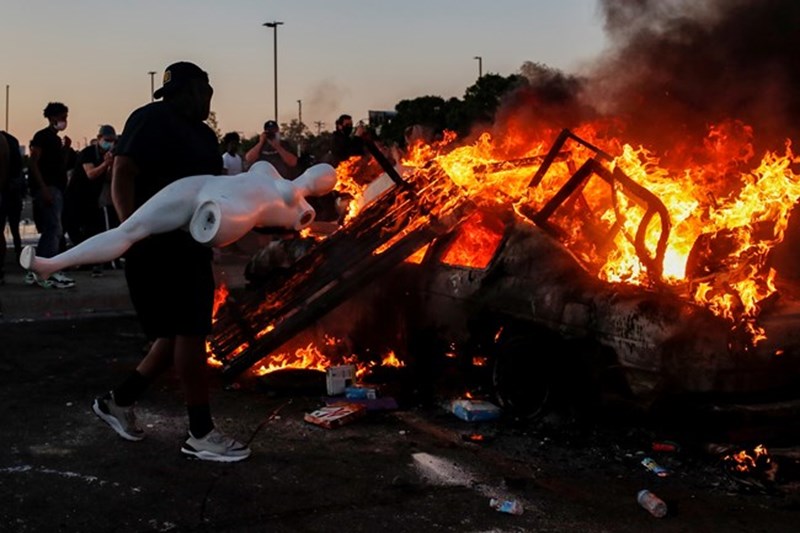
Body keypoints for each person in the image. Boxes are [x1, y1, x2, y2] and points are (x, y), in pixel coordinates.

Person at [21, 160, 337, 279]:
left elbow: (275, 230)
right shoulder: (269, 169)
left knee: (204, 219)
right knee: (130, 229)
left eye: (326, 177)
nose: (320, 175)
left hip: (232, 209)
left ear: (324, 188)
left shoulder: (302, 211)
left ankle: (54, 264)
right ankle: (52, 264)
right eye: (322, 170)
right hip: (203, 184)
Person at [27, 102, 75, 288]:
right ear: (53, 118)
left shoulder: (56, 140)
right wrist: (44, 188)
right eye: (63, 117)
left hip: (56, 188)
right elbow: (33, 162)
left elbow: (60, 166)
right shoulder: (42, 137)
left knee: (53, 229)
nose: (64, 121)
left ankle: (39, 268)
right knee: (53, 229)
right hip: (49, 189)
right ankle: (46, 269)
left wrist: (66, 149)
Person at [63, 124, 118, 276]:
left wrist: (111, 166)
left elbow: (107, 177)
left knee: (94, 231)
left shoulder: (108, 155)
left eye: (112, 141)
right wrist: (105, 164)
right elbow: (91, 174)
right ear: (99, 138)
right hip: (76, 197)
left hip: (93, 199)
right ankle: (80, 259)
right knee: (72, 228)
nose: (110, 143)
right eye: (107, 140)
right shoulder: (88, 153)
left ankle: (93, 262)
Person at [0, 130, 24, 285]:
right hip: (10, 192)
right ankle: (17, 253)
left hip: (6, 191)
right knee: (12, 228)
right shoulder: (7, 141)